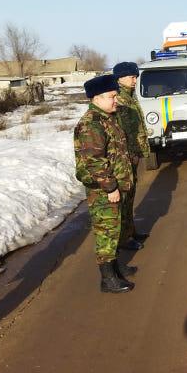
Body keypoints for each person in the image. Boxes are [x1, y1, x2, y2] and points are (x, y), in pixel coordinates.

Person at [74, 74, 136, 294]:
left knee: (115, 229)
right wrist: (111, 188)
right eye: (112, 97)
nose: (116, 100)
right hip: (103, 190)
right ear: (96, 98)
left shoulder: (106, 118)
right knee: (106, 232)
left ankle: (115, 269)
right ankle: (108, 280)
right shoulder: (92, 124)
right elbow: (94, 161)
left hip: (114, 185)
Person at [113, 62, 150, 251]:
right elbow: (121, 132)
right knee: (125, 198)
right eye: (131, 77)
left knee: (131, 194)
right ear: (120, 78)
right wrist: (129, 154)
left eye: (136, 77)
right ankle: (124, 238)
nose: (135, 80)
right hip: (125, 157)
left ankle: (131, 230)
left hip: (132, 154)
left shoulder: (129, 96)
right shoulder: (118, 99)